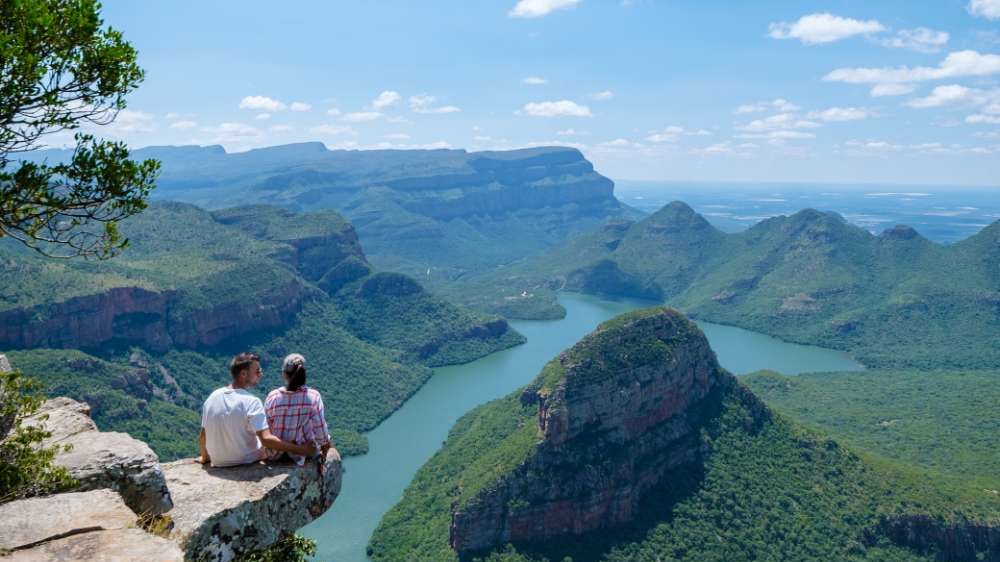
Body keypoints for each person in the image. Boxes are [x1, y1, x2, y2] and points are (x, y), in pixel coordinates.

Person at [198, 352, 315, 467]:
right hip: (245, 459)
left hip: (218, 461)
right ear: (243, 374)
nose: (261, 374)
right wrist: (302, 449)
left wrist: (205, 458)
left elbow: (203, 435)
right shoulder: (252, 401)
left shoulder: (212, 397)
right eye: (257, 371)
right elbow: (266, 439)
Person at [264, 353, 332, 467]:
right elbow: (321, 433)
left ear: (284, 374)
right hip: (303, 453)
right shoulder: (313, 397)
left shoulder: (273, 397)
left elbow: (265, 429)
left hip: (274, 454)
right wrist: (327, 447)